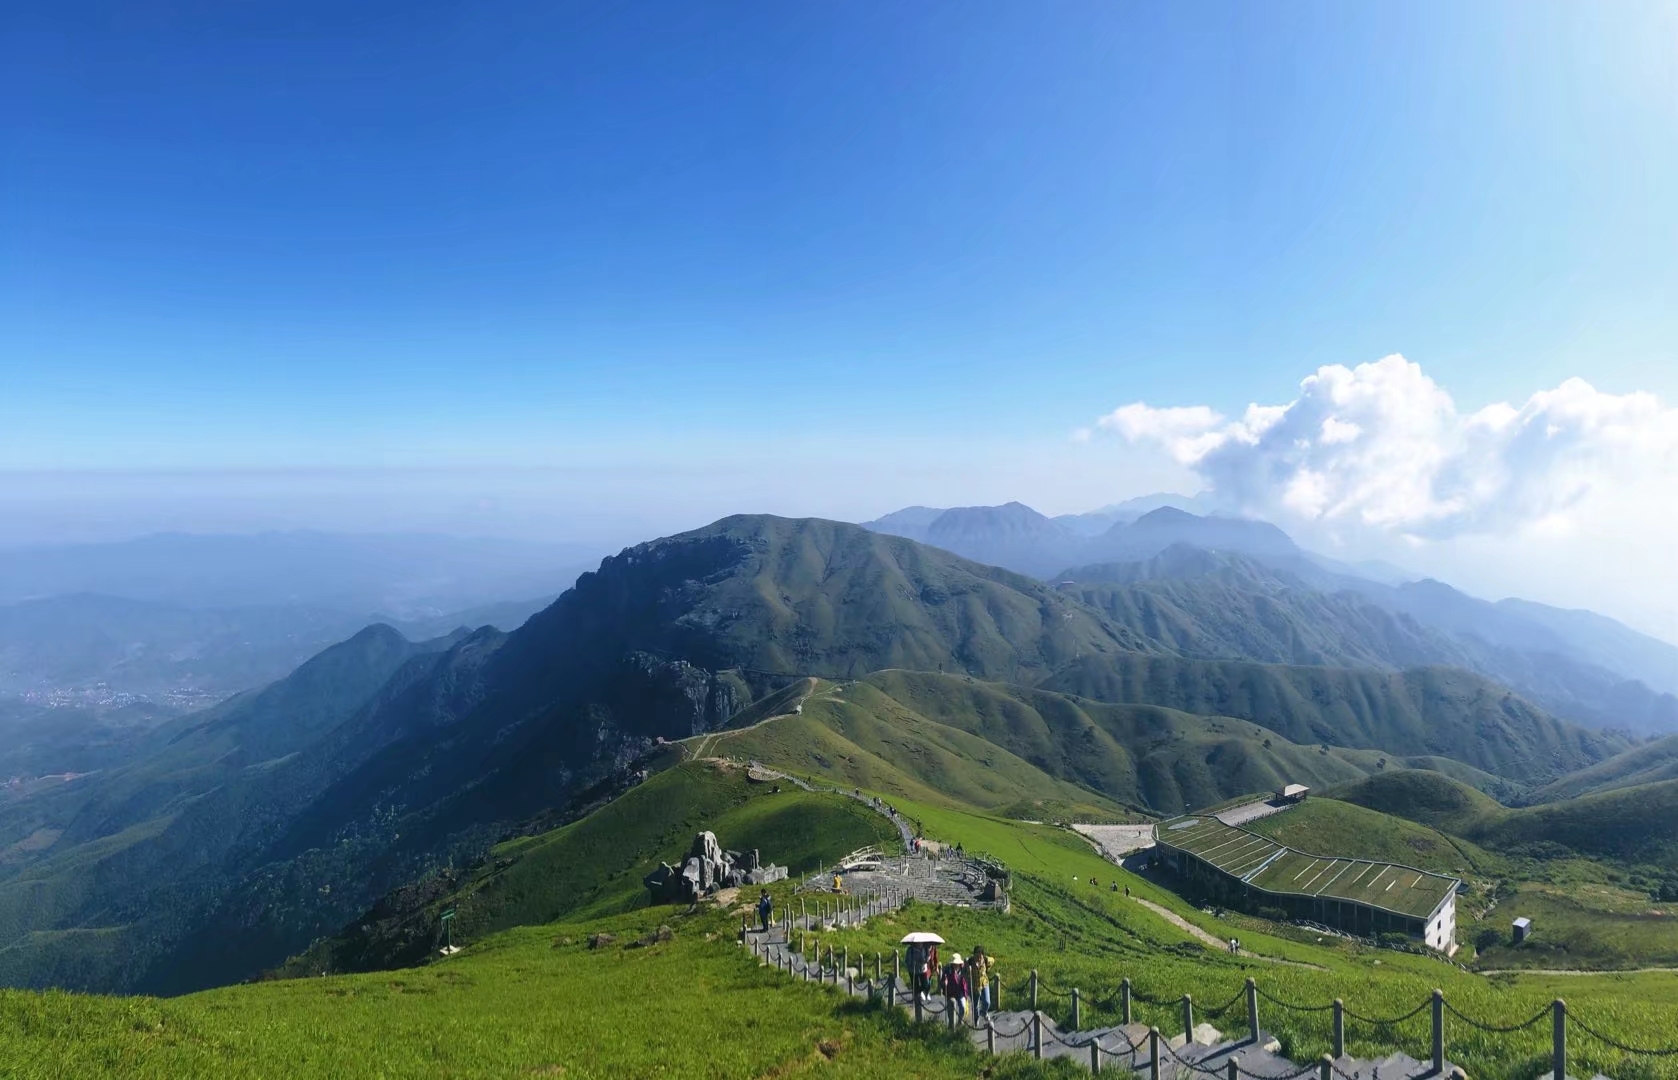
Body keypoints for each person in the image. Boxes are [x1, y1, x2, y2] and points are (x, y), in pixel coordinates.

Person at [944, 952, 970, 1022]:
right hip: (951, 992)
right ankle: (951, 1024)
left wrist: (968, 971)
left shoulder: (963, 969)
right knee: (950, 1009)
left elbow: (967, 976)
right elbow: (942, 980)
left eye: (957, 963)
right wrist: (944, 982)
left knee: (963, 1007)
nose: (955, 965)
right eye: (954, 964)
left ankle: (960, 1022)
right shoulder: (948, 970)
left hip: (960, 991)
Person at [967, 946, 992, 1017]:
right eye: (976, 956)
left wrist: (988, 967)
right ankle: (976, 1021)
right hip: (975, 986)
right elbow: (964, 969)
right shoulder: (970, 961)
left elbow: (992, 960)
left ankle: (983, 1013)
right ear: (974, 955)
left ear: (983, 956)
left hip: (984, 983)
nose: (978, 958)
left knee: (987, 1002)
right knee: (975, 1006)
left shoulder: (986, 960)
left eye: (980, 956)